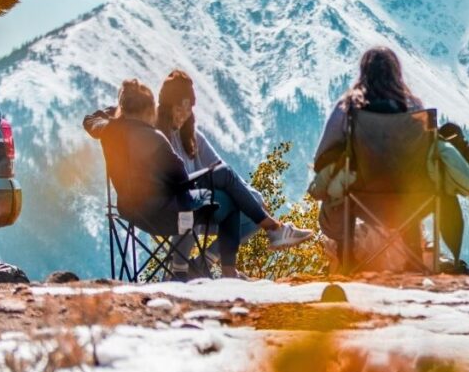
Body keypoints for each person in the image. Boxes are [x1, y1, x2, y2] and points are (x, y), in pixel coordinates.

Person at [84, 79, 307, 279]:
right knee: (226, 178)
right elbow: (180, 180)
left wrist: (113, 119)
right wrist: (210, 180)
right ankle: (272, 231)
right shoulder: (154, 138)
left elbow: (92, 119)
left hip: (132, 210)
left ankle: (229, 266)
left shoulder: (111, 131)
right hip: (168, 211)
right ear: (149, 109)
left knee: (229, 197)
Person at [313, 46, 469, 264]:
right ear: (397, 72)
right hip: (414, 200)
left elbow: (322, 157)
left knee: (340, 191)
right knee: (407, 188)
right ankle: (414, 259)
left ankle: (347, 258)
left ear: (363, 72)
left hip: (360, 199)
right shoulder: (414, 107)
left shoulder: (348, 107)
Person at [155, 70, 313, 277]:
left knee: (251, 202)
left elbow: (219, 165)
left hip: (200, 204)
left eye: (189, 108)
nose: (184, 114)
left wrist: (252, 195)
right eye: (179, 107)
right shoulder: (155, 135)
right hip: (175, 204)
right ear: (166, 106)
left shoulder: (192, 137)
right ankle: (274, 228)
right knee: (234, 194)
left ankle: (205, 262)